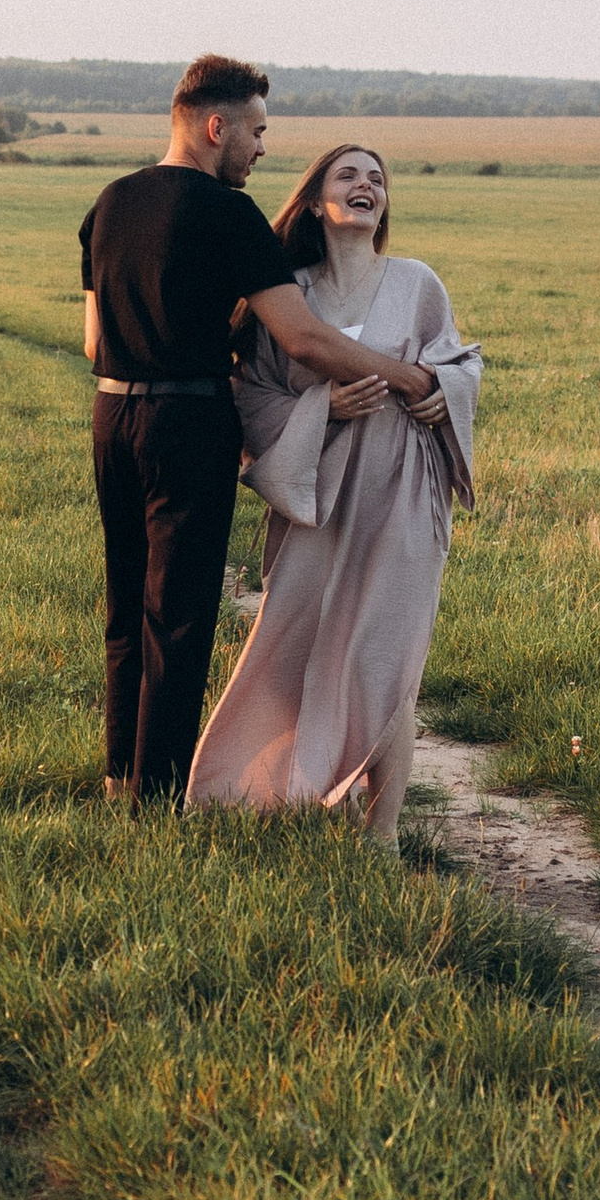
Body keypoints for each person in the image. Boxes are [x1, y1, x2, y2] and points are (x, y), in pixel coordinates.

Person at [80, 58, 414, 805]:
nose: (262, 149)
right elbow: (303, 339)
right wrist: (409, 376)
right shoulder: (229, 214)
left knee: (126, 599)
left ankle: (117, 779)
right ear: (216, 127)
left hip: (111, 416)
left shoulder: (109, 202)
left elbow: (93, 341)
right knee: (180, 612)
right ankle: (157, 797)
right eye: (257, 132)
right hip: (190, 419)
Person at [185, 142, 480, 837]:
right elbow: (251, 396)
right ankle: (312, 791)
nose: (366, 186)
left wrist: (445, 390)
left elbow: (459, 359)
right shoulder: (289, 294)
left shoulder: (417, 282)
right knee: (309, 645)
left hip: (403, 492)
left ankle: (380, 837)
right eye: (348, 175)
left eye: (377, 179)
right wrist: (323, 410)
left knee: (386, 656)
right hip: (315, 498)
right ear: (316, 198)